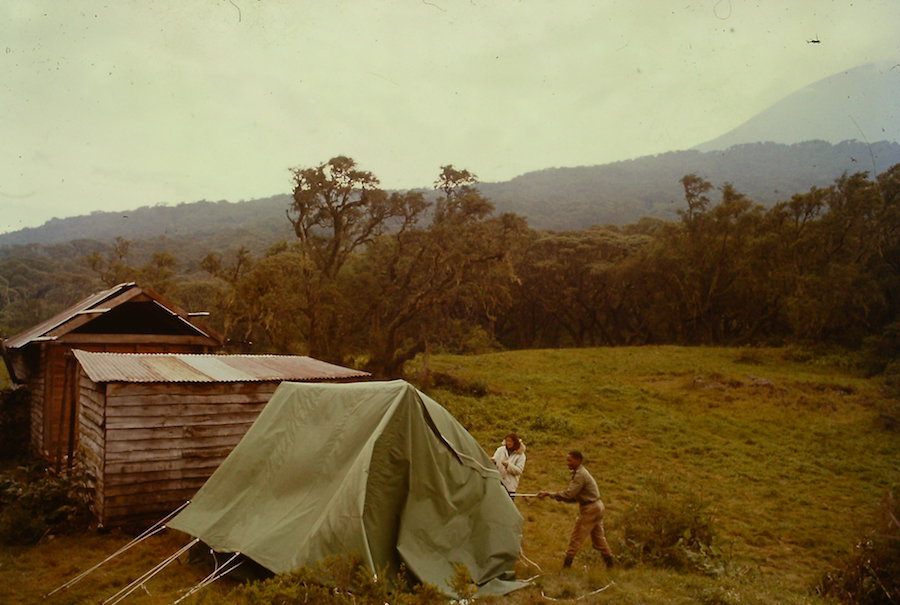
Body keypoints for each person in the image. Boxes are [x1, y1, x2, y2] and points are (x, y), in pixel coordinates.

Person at [538, 450, 615, 569]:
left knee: (576, 537)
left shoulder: (580, 475)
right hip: (597, 506)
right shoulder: (580, 473)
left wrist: (549, 494)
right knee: (599, 539)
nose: (567, 463)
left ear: (578, 460)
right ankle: (611, 565)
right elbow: (574, 497)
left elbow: (569, 494)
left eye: (570, 460)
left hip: (590, 509)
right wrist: (552, 495)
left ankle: (566, 567)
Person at [491, 432, 526, 497]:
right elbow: (494, 461)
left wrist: (508, 466)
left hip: (510, 487)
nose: (508, 443)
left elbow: (519, 471)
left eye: (511, 441)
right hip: (498, 484)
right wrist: (493, 462)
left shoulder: (521, 455)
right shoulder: (500, 450)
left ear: (515, 442)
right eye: (507, 441)